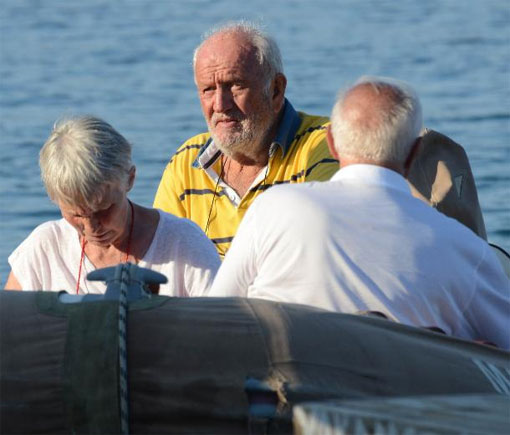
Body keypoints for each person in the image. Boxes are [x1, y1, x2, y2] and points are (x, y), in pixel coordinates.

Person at [207, 76, 510, 350]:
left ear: (331, 143)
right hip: (400, 402)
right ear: (415, 152)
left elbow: (215, 317)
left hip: (279, 395)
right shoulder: (465, 249)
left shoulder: (272, 208)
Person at [153, 21, 339, 257]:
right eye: (208, 89)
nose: (220, 105)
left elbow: (316, 255)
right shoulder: (187, 162)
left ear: (276, 90)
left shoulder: (325, 143)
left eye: (235, 86)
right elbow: (160, 265)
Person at [5, 116, 220, 296]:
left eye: (103, 210)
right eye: (76, 215)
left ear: (130, 179)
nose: (91, 229)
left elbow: (226, 331)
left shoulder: (184, 245)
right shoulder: (43, 249)